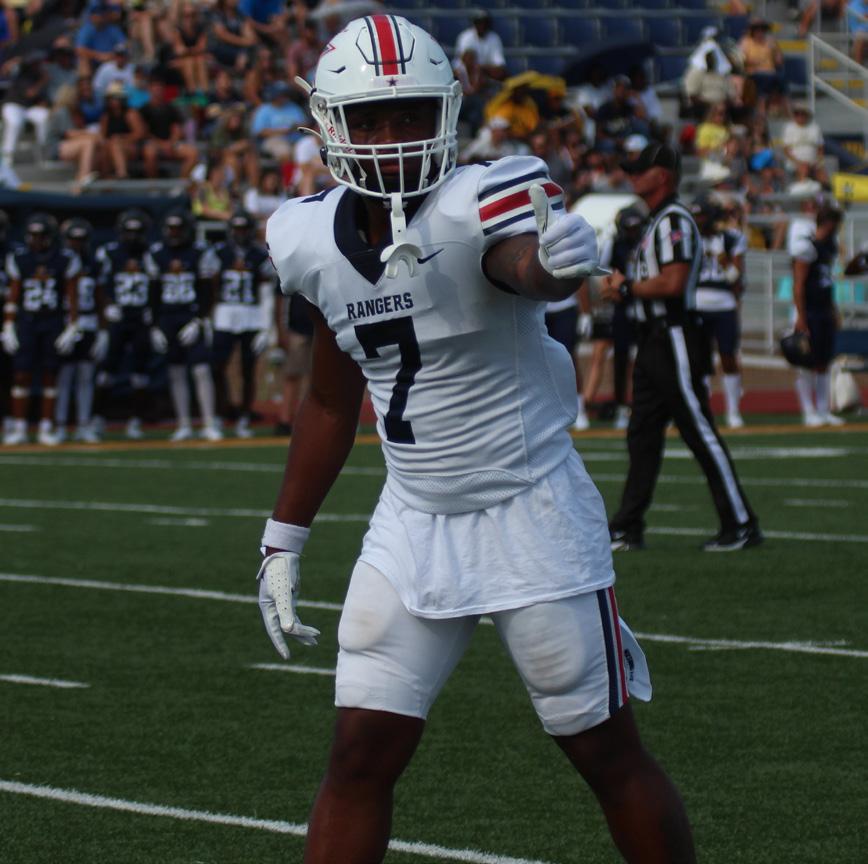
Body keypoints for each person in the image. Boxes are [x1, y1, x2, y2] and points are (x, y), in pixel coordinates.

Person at [258, 16, 696, 864]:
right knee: (359, 753)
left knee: (604, 750)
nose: (393, 137)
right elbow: (328, 400)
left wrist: (553, 267)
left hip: (529, 509)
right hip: (413, 517)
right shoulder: (306, 237)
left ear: (448, 113)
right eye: (372, 120)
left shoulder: (480, 198)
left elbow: (518, 265)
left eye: (412, 115)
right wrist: (284, 537)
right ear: (330, 126)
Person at [600, 142, 761, 551]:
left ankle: (741, 524)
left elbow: (673, 282)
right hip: (653, 339)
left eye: (640, 169)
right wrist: (625, 290)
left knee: (698, 429)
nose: (633, 176)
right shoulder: (656, 221)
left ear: (663, 176)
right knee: (642, 436)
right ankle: (627, 526)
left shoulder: (674, 220)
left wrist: (628, 287)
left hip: (673, 335)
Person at [2, 212, 80, 446]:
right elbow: (13, 295)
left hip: (52, 321)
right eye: (33, 235)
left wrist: (72, 326)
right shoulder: (20, 258)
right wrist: (8, 325)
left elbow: (71, 297)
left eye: (41, 235)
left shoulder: (64, 259)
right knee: (21, 374)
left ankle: (46, 426)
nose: (36, 240)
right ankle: (19, 427)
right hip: (27, 321)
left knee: (50, 374)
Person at [145, 208, 222, 441]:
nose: (174, 233)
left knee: (201, 370)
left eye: (178, 229)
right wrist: (155, 325)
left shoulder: (199, 252)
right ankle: (184, 423)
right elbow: (153, 292)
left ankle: (209, 422)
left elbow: (208, 290)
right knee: (175, 371)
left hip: (191, 315)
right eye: (171, 228)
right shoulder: (157, 253)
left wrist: (200, 320)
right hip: (168, 316)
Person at [93, 208, 156, 440]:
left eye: (137, 232)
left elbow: (157, 285)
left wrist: (152, 310)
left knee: (140, 372)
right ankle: (97, 418)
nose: (133, 237)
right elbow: (99, 284)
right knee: (107, 370)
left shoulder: (151, 253)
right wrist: (107, 307)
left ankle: (135, 420)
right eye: (129, 232)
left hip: (140, 317)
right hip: (117, 317)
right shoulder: (109, 253)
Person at [210, 210, 274, 437]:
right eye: (237, 229)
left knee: (248, 369)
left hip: (251, 315)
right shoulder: (219, 253)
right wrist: (209, 317)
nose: (240, 233)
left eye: (244, 229)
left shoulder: (260, 255)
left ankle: (245, 416)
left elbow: (266, 293)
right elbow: (211, 288)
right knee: (217, 366)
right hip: (224, 314)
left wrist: (266, 327)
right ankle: (220, 412)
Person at [691, 195, 747, 429]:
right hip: (696, 304)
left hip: (724, 304)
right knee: (698, 360)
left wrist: (722, 259)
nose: (698, 220)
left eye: (702, 215)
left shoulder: (732, 238)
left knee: (728, 357)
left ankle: (733, 410)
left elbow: (736, 280)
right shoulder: (689, 239)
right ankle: (701, 410)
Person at [588, 205, 643, 430]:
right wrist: (612, 291)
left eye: (636, 228)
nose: (633, 232)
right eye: (629, 228)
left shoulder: (647, 242)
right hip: (622, 303)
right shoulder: (614, 244)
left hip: (644, 300)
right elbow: (601, 272)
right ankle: (621, 406)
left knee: (648, 356)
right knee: (621, 356)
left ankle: (647, 405)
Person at [790, 203, 845, 426]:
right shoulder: (807, 247)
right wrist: (800, 315)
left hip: (823, 309)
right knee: (807, 361)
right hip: (810, 310)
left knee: (824, 360)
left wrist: (833, 309)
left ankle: (823, 409)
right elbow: (798, 284)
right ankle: (808, 410)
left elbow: (827, 283)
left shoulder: (828, 248)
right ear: (829, 223)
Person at [55, 218, 104, 443]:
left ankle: (84, 423)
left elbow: (100, 297)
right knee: (64, 376)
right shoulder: (59, 261)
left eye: (81, 239)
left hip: (89, 321)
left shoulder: (94, 263)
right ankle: (60, 424)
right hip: (64, 322)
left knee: (86, 375)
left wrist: (103, 330)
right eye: (73, 239)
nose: (77, 244)